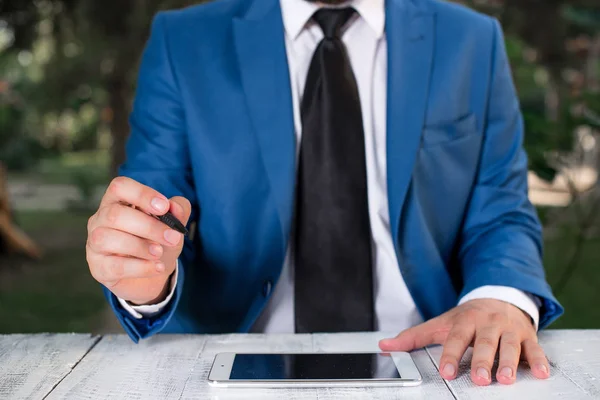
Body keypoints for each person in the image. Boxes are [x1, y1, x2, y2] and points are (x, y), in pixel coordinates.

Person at [85, 0, 563, 386]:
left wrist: (500, 296)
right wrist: (144, 267)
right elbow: (153, 209)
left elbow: (501, 210)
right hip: (236, 360)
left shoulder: (473, 41)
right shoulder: (183, 41)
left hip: (436, 360)